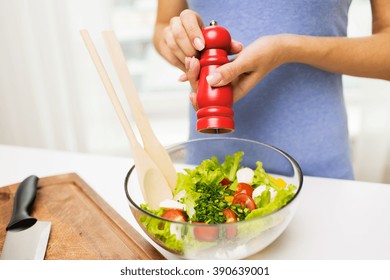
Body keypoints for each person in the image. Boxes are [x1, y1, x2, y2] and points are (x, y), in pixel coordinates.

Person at [152, 0, 390, 179]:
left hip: (317, 173)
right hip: (210, 165)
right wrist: (179, 42)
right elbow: (163, 25)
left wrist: (289, 49)